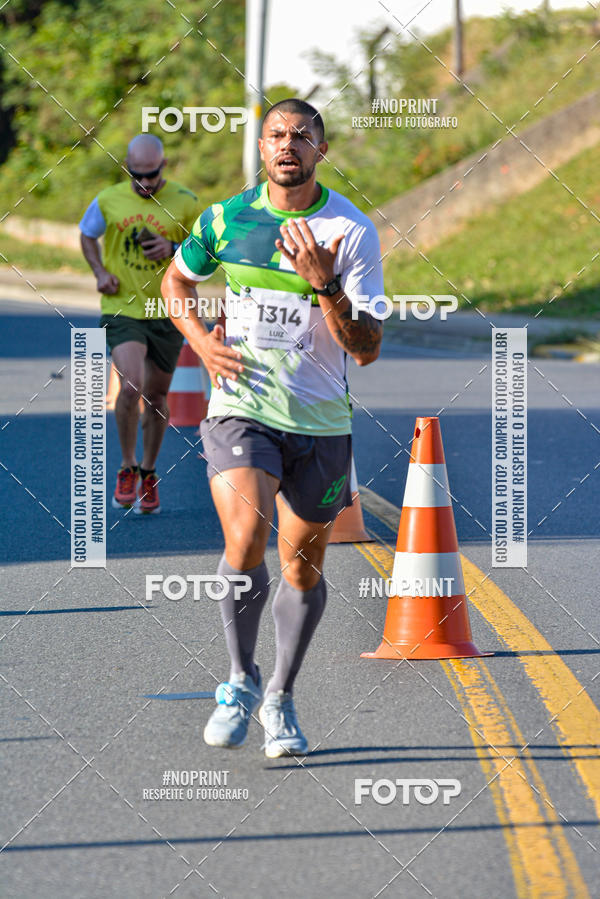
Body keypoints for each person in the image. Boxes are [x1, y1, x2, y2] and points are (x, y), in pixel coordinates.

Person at [161, 98, 383, 757]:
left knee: (302, 567)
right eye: (277, 135)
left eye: (302, 136)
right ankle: (239, 679)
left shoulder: (351, 231)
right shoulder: (225, 219)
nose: (289, 144)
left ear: (321, 150)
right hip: (242, 407)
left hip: (320, 420)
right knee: (245, 535)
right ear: (262, 148)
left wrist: (326, 286)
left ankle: (280, 695)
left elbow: (367, 348)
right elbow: (175, 281)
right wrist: (201, 341)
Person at [80, 134, 201, 514]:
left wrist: (174, 249)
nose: (145, 183)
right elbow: (87, 234)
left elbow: (206, 252)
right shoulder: (108, 199)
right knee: (130, 385)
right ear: (127, 169)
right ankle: (127, 466)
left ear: (163, 166)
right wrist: (100, 272)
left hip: (167, 309)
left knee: (157, 397)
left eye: (151, 175)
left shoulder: (186, 201)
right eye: (137, 176)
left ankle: (149, 471)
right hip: (122, 307)